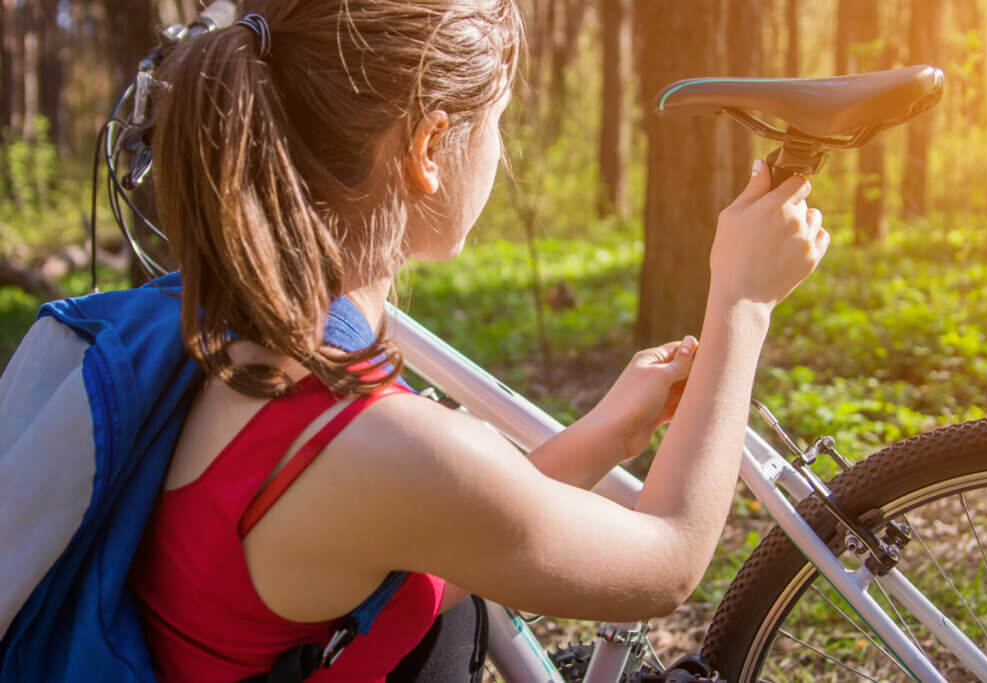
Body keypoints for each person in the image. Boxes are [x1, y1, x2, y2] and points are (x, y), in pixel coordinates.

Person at [126, 0, 829, 681]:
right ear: (429, 146)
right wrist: (743, 298)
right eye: (498, 120)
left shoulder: (220, 337)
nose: (500, 148)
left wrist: (607, 434)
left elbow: (435, 538)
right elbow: (667, 564)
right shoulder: (373, 442)